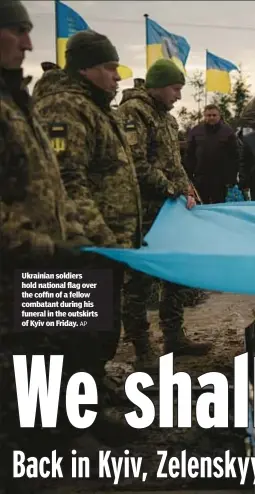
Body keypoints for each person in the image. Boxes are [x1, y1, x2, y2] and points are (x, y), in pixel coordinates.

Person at [0, 3, 113, 489]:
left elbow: (52, 186)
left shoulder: (15, 102)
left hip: (42, 272)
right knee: (16, 400)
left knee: (58, 361)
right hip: (14, 280)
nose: (29, 44)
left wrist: (79, 239)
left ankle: (60, 445)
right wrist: (48, 248)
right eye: (18, 32)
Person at [32, 29, 144, 442]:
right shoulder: (62, 107)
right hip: (75, 249)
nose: (117, 77)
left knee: (94, 336)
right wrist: (101, 238)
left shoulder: (92, 106)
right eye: (110, 68)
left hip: (98, 246)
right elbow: (65, 179)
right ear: (85, 68)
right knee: (70, 339)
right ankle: (70, 430)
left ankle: (87, 404)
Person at [117, 59, 208, 370]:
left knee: (175, 272)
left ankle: (174, 336)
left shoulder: (167, 120)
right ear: (157, 86)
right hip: (142, 210)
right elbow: (135, 163)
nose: (178, 96)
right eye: (175, 89)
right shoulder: (134, 112)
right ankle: (142, 348)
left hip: (170, 211)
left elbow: (175, 163)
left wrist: (188, 188)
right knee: (139, 281)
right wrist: (173, 189)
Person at [185, 104, 239, 204]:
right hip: (200, 178)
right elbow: (190, 155)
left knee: (219, 206)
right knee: (200, 207)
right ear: (204, 116)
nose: (211, 118)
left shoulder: (228, 132)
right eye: (208, 115)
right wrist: (188, 176)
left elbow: (234, 156)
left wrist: (232, 179)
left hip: (220, 180)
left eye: (214, 115)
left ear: (219, 116)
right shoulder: (196, 131)